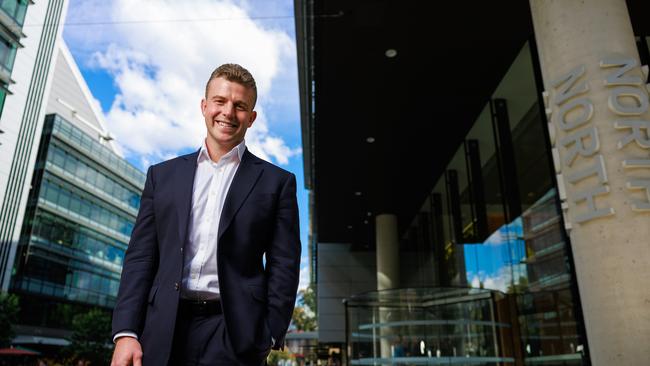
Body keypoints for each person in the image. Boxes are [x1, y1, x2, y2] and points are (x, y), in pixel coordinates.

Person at [110, 63, 301, 365]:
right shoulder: (162, 176)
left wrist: (269, 332)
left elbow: (285, 264)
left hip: (235, 333)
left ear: (251, 118)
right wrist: (126, 332)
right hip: (162, 328)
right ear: (204, 106)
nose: (228, 112)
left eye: (240, 106)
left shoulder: (277, 183)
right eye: (220, 101)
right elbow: (141, 257)